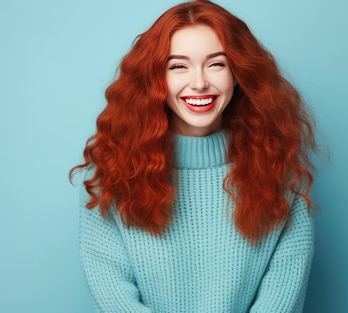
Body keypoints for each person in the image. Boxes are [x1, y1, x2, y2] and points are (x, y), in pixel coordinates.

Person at [70, 1, 318, 312]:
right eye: (178, 66)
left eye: (217, 64)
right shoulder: (108, 177)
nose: (199, 82)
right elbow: (114, 299)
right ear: (154, 78)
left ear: (239, 73)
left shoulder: (282, 176)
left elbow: (281, 299)